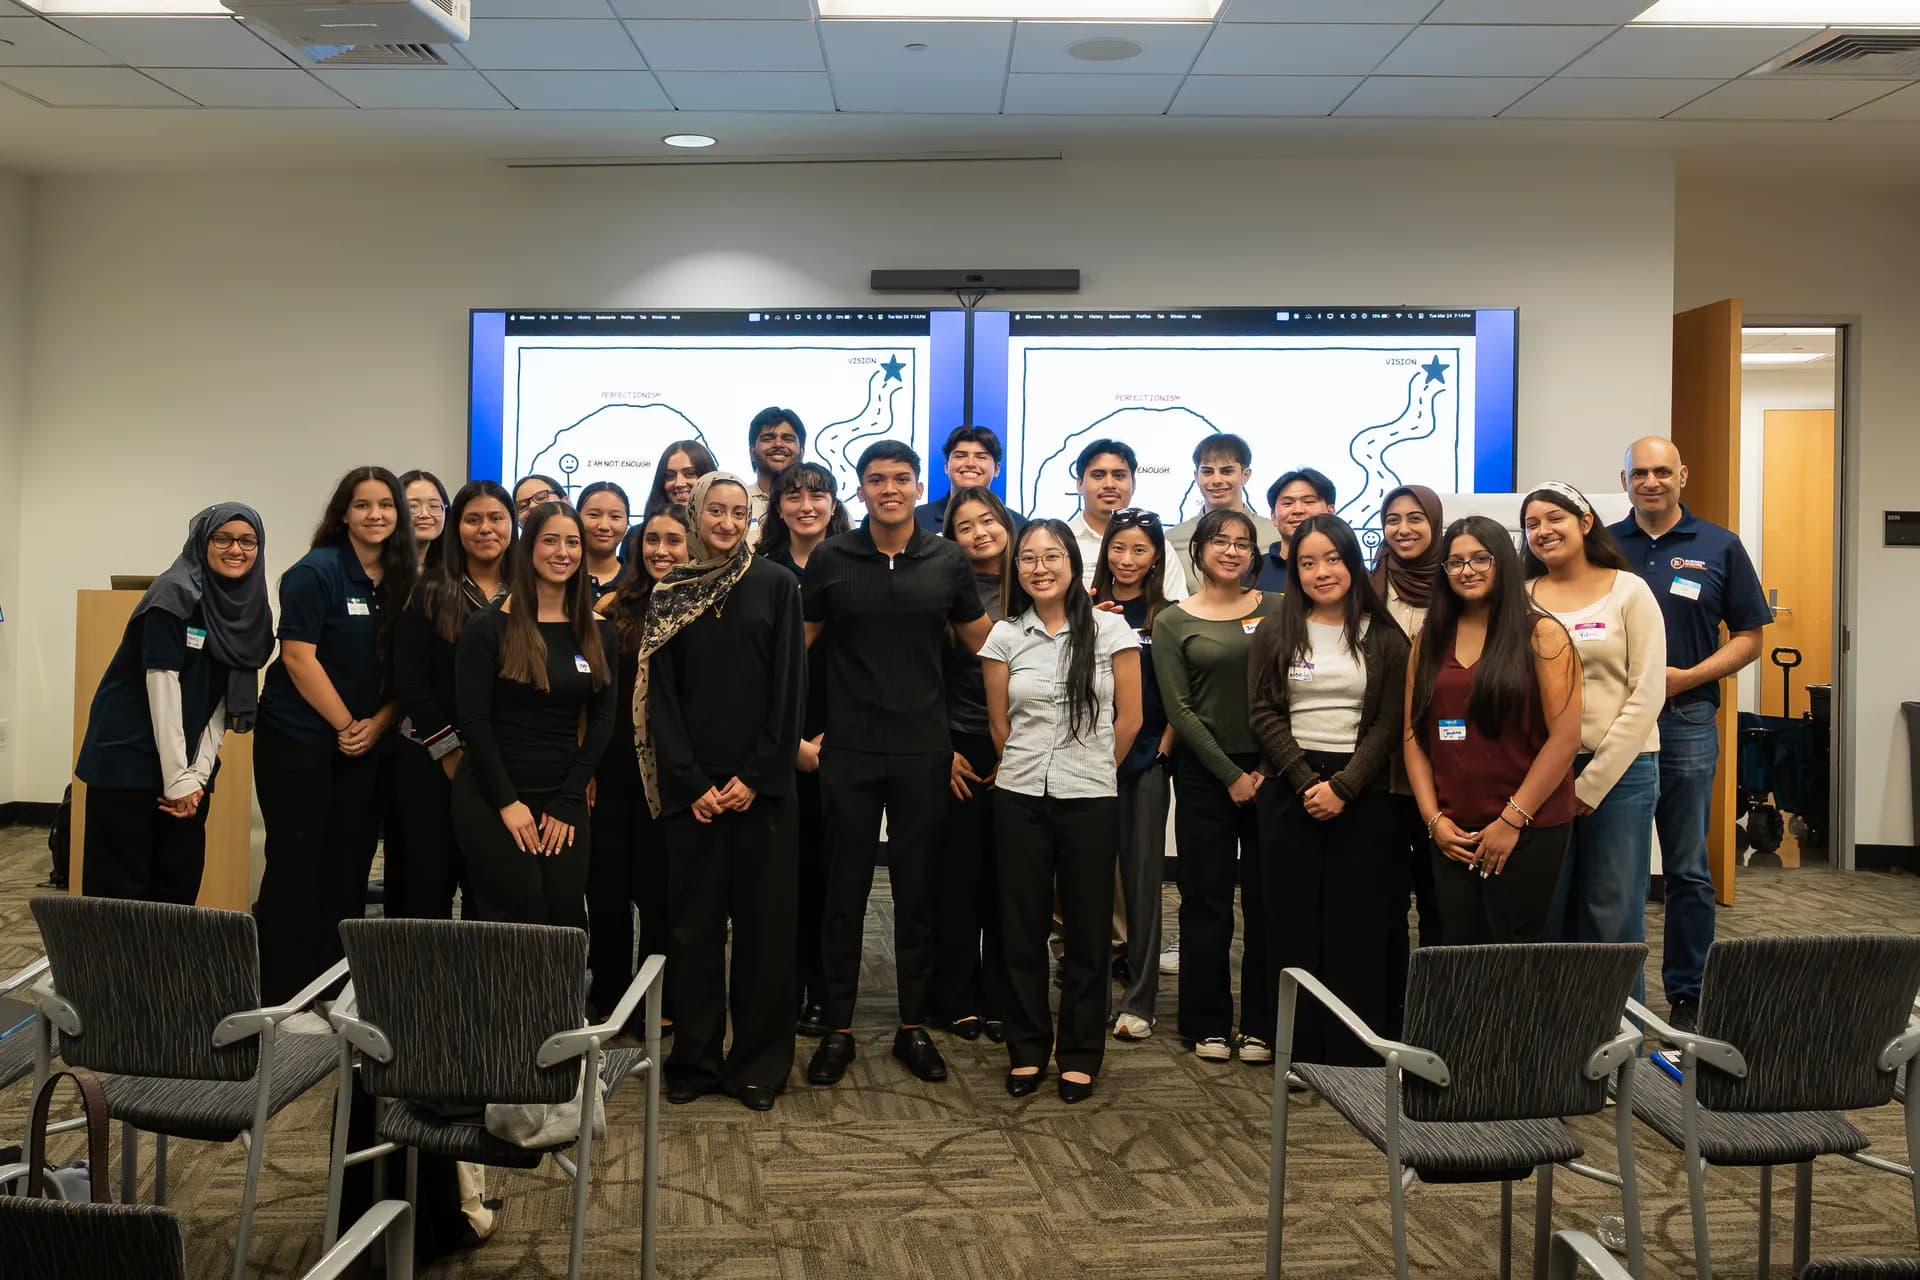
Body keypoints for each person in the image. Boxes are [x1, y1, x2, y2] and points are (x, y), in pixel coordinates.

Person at [800, 441, 993, 1088]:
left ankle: (913, 1027)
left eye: (901, 479)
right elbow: (797, 655)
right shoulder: (831, 557)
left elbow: (983, 649)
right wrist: (801, 735)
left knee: (916, 894)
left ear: (917, 488)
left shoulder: (946, 558)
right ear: (862, 491)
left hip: (923, 749)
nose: (890, 488)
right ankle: (839, 1029)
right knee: (843, 894)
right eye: (877, 479)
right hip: (848, 749)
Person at [638, 473, 806, 1112]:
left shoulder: (777, 586)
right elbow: (662, 700)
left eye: (740, 512)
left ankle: (760, 1064)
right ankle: (698, 1060)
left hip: (762, 792)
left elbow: (789, 690)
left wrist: (755, 776)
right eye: (716, 510)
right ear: (694, 511)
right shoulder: (671, 592)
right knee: (693, 932)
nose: (728, 522)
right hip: (695, 795)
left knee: (766, 933)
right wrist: (692, 782)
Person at [1611, 437, 1769, 1030]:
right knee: (1616, 870)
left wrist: (1683, 680)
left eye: (1661, 472)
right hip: (1612, 724)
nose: (1650, 482)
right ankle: (1619, 999)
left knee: (1686, 867)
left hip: (1687, 719)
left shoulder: (1719, 545)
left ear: (1683, 475)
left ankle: (1689, 993)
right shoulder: (1603, 545)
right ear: (1623, 480)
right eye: (1638, 473)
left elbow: (1750, 636)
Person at [982, 520, 1142, 1104]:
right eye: (1027, 558)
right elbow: (1000, 725)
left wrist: (1094, 769)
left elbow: (1130, 720)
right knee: (1020, 929)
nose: (1039, 567)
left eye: (1052, 555)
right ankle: (1027, 1049)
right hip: (1019, 797)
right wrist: (1027, 770)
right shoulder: (1004, 635)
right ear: (1016, 569)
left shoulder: (1110, 630)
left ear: (1073, 562)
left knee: (1088, 929)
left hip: (1090, 799)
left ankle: (1078, 1053)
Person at [1249, 515, 1409, 1065]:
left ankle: (1354, 1050)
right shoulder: (1276, 628)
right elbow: (1263, 713)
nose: (1322, 572)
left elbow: (1390, 723)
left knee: (1358, 922)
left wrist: (1343, 786)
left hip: (1363, 791)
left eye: (1333, 559)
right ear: (1294, 570)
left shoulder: (1385, 636)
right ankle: (1299, 1048)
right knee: (1291, 921)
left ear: (1352, 561)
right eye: (1308, 562)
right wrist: (1305, 780)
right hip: (1290, 788)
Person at [254, 467, 416, 1003]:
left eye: (386, 505)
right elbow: (299, 658)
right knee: (297, 865)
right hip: (300, 741)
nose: (376, 515)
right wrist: (348, 724)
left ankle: (333, 988)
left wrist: (379, 722)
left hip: (368, 742)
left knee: (348, 868)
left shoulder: (404, 580)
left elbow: (408, 669)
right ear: (343, 513)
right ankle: (281, 994)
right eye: (363, 505)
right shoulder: (314, 572)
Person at [75, 504, 273, 904]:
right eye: (223, 538)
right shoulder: (174, 592)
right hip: (128, 762)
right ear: (203, 541)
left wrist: (197, 775)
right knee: (119, 898)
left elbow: (222, 702)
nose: (236, 549)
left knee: (177, 890)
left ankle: (166, 970)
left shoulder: (248, 609)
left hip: (184, 766)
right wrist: (177, 778)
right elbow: (161, 684)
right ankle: (113, 970)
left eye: (248, 540)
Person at [1404, 517, 1583, 946]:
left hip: (1527, 828)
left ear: (1502, 561)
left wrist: (1511, 820)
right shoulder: (1429, 638)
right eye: (1455, 562)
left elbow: (1565, 739)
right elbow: (1412, 736)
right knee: (1459, 955)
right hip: (1453, 831)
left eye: (1480, 559)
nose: (1468, 571)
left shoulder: (1542, 633)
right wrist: (1434, 821)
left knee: (1513, 959)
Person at [1522, 482, 1666, 981]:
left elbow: (1647, 693)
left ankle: (1619, 1045)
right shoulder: (1521, 599)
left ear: (1585, 522)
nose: (1543, 531)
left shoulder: (1629, 590)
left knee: (1613, 917)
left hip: (1620, 775)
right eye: (1533, 524)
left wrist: (1592, 782)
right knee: (1546, 914)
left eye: (1554, 518)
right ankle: (1554, 1041)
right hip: (1542, 777)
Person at [1153, 508, 1280, 1064]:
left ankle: (1261, 1025)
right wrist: (1229, 775)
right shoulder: (1173, 621)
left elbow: (1291, 695)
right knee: (1204, 902)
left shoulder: (1277, 610)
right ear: (1198, 550)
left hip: (1275, 769)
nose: (1231, 550)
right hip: (1206, 776)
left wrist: (1267, 770)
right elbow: (1179, 710)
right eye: (1220, 541)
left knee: (1268, 902)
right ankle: (1206, 1023)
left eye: (1243, 543)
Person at [452, 501, 616, 929]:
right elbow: (474, 721)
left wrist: (567, 800)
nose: (562, 552)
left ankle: (556, 1001)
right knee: (517, 909)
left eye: (572, 542)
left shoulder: (599, 630)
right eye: (550, 540)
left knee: (563, 913)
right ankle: (498, 1000)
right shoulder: (488, 627)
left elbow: (602, 721)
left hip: (563, 792)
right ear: (528, 549)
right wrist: (508, 803)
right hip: (495, 794)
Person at [388, 480, 515, 920]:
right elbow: (410, 678)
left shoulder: (530, 592)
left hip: (500, 763)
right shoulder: (430, 589)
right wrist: (448, 750)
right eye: (473, 519)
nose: (486, 528)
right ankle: (419, 990)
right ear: (456, 527)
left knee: (491, 886)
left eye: (496, 518)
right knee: (427, 883)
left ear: (512, 525)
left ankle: (482, 989)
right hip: (429, 758)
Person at [756, 462, 849, 1036]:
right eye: (795, 495)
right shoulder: (760, 571)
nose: (807, 504)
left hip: (842, 738)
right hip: (777, 741)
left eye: (818, 494)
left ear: (835, 503)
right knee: (783, 876)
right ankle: (784, 987)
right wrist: (788, 743)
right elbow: (753, 667)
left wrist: (832, 740)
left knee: (831, 876)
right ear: (779, 506)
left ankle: (824, 989)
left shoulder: (853, 566)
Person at [589, 507, 689, 1027]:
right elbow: (591, 693)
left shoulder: (702, 605)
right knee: (606, 886)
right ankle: (607, 993)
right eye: (651, 539)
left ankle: (659, 1001)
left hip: (673, 771)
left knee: (660, 889)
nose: (662, 550)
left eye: (674, 540)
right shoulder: (611, 606)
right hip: (612, 765)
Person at [932, 485, 1016, 1044]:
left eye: (988, 520)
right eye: (965, 526)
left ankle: (1003, 994)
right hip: (955, 745)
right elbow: (920, 675)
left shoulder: (1035, 584)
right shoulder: (939, 590)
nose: (980, 532)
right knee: (957, 878)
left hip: (1023, 749)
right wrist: (943, 749)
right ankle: (955, 994)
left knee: (1012, 881)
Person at [1090, 508, 1177, 1041]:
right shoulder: (1087, 607)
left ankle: (1140, 1000)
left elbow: (1176, 695)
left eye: (1139, 550)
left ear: (1155, 558)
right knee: (1090, 883)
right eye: (1118, 548)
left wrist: (1165, 750)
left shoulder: (1168, 613)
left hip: (1146, 763)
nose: (1127, 559)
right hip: (1089, 764)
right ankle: (1090, 995)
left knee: (1143, 882)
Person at [1371, 483, 1446, 950]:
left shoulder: (1461, 584)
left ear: (1436, 523)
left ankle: (1444, 1008)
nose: (1403, 529)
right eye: (1393, 519)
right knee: (1384, 894)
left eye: (1416, 518)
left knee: (1441, 894)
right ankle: (1392, 1008)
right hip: (1380, 764)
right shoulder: (1367, 588)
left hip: (1447, 759)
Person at [1067, 439, 1188, 601]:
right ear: (1079, 484)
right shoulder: (1061, 542)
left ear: (1133, 483)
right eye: (1098, 475)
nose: (1109, 484)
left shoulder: (1159, 544)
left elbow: (1177, 608)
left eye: (1119, 475)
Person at [1167, 433, 1281, 593]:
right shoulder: (1172, 540)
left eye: (1226, 471)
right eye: (1207, 472)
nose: (1217, 480)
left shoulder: (1276, 535)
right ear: (1196, 476)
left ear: (1245, 475)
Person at [914, 426, 1025, 533]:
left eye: (981, 457)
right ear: (946, 466)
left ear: (996, 469)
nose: (970, 464)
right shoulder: (917, 519)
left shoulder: (1019, 526)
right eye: (960, 456)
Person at [1257, 468, 1335, 590]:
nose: (1298, 510)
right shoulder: (1252, 571)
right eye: (1287, 503)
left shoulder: (1350, 568)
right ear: (1273, 517)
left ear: (1330, 512)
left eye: (1309, 502)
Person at [746, 407, 805, 534]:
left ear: (802, 451)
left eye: (788, 439)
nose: (778, 444)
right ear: (752, 452)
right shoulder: (738, 501)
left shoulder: (820, 506)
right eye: (768, 438)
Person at [576, 480, 632, 601]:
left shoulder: (638, 582)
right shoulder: (561, 577)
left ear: (627, 523)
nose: (604, 526)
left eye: (615, 517)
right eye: (594, 515)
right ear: (576, 519)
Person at [643, 438, 717, 517]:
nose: (678, 483)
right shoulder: (640, 529)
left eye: (689, 473)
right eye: (670, 476)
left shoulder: (726, 527)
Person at [401, 470, 450, 572]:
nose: (425, 514)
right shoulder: (377, 570)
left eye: (434, 506)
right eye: (413, 506)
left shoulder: (452, 570)